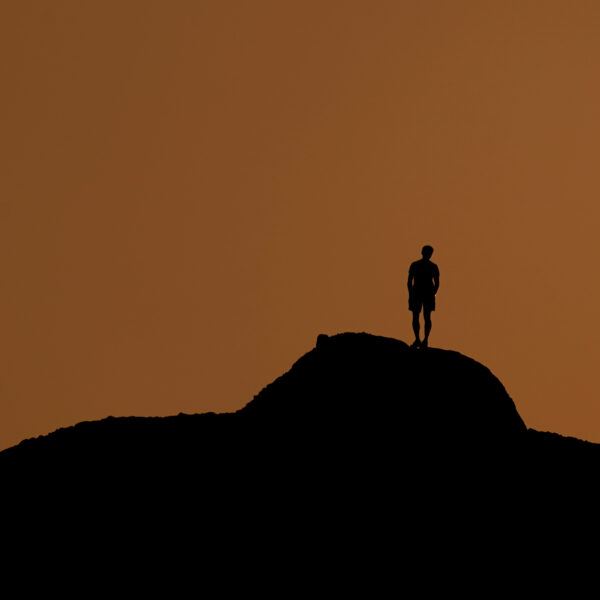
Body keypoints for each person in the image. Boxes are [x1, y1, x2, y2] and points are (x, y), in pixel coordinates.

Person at [407, 245, 439, 348]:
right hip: (421, 293)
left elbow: (409, 282)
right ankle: (420, 339)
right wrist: (433, 293)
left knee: (423, 316)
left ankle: (422, 340)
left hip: (422, 293)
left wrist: (433, 293)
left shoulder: (417, 265)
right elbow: (409, 281)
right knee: (422, 316)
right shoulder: (429, 266)